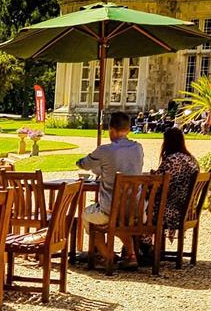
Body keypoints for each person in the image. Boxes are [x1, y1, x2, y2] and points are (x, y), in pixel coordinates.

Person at [76, 112, 144, 268]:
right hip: (137, 209)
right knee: (120, 219)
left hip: (112, 209)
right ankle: (131, 255)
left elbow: (84, 164)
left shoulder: (105, 150)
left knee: (87, 217)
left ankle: (107, 256)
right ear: (128, 129)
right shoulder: (138, 148)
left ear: (111, 130)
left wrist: (83, 161)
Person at [133, 128, 199, 267]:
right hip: (185, 209)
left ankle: (141, 249)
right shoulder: (191, 159)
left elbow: (157, 185)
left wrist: (147, 180)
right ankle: (145, 248)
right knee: (146, 206)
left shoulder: (172, 160)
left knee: (140, 211)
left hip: (170, 210)